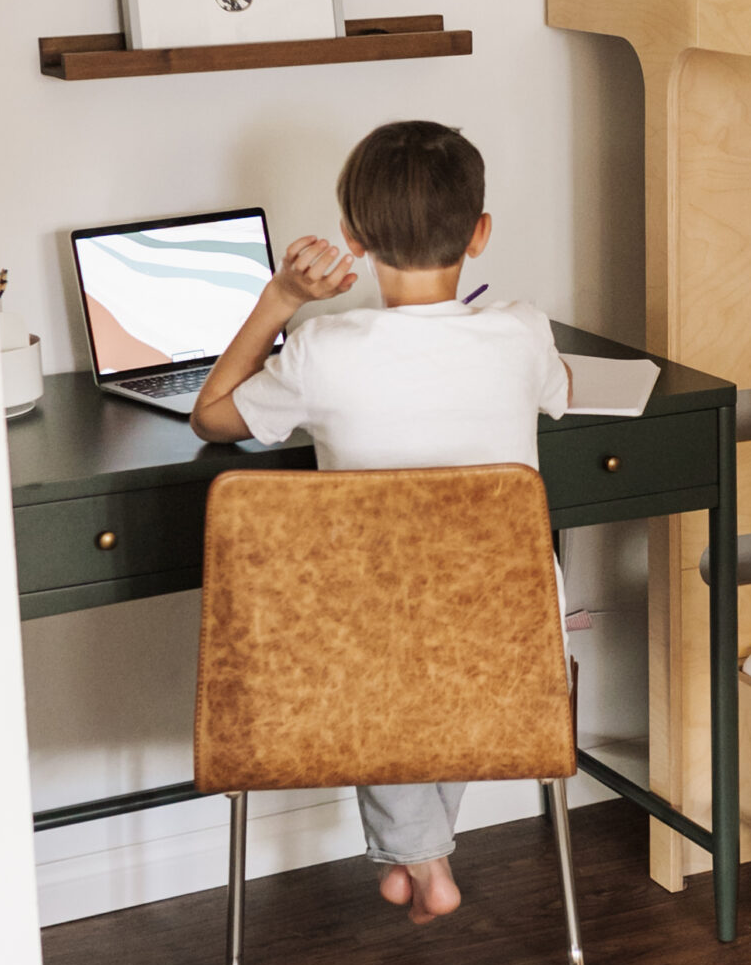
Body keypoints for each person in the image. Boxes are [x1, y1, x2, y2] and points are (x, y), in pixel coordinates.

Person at [192, 119, 569, 924]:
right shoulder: (521, 330)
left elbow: (212, 415)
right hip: (511, 638)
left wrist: (282, 298)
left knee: (377, 630)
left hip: (365, 649)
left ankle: (418, 860)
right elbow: (560, 386)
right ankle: (418, 856)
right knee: (444, 663)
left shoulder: (323, 348)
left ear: (353, 239)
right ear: (480, 234)